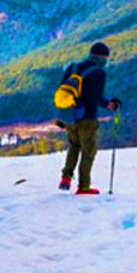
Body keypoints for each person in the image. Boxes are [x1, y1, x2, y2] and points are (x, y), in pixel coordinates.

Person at [57, 42, 121, 194]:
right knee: (88, 152)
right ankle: (83, 187)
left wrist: (61, 116)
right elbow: (96, 97)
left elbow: (62, 91)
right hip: (87, 118)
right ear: (103, 57)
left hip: (70, 116)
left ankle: (66, 177)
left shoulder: (73, 67)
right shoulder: (98, 72)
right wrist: (110, 105)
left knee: (74, 146)